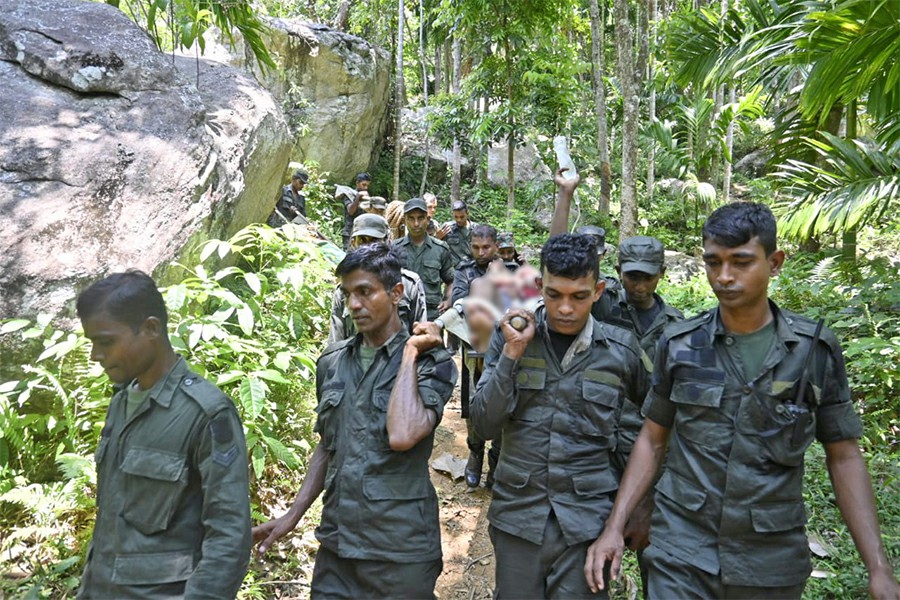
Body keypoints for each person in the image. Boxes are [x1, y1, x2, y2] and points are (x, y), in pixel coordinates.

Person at [585, 202, 900, 600]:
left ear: (775, 262)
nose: (725, 276)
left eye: (741, 262)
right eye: (713, 263)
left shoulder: (812, 352)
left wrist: (878, 566)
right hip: (681, 550)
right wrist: (616, 525)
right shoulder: (681, 345)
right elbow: (652, 438)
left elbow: (844, 455)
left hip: (768, 560)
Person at [252, 244, 458, 598]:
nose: (354, 304)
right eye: (347, 294)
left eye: (365, 292)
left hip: (400, 551)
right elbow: (327, 445)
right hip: (338, 545)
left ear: (396, 294)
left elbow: (404, 433)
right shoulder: (332, 362)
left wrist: (408, 353)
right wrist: (293, 515)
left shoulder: (431, 361)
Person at [471, 233, 649, 599]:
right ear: (539, 287)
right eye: (554, 295)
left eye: (579, 296)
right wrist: (511, 355)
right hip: (519, 518)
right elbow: (482, 424)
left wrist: (638, 509)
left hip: (590, 525)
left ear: (598, 290)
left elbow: (655, 434)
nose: (565, 308)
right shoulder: (511, 337)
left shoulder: (622, 351)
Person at [76, 270, 251, 599]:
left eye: (106, 341)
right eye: (92, 343)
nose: (95, 355)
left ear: (151, 328)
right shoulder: (121, 402)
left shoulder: (206, 412)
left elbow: (229, 538)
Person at [450, 224, 518, 489]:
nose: (481, 252)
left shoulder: (512, 271)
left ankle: (497, 459)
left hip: (504, 351)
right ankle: (475, 453)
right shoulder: (464, 271)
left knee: (503, 403)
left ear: (495, 246)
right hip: (474, 349)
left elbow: (518, 304)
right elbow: (462, 304)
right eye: (476, 247)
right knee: (473, 403)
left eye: (486, 247)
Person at [328, 213, 427, 343]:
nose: (369, 247)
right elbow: (335, 342)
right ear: (353, 243)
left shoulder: (408, 284)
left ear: (388, 241)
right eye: (362, 240)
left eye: (375, 241)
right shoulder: (344, 290)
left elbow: (420, 336)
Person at [394, 197, 455, 320]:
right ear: (404, 220)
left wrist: (447, 300)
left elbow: (451, 280)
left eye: (420, 218)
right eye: (411, 218)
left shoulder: (440, 249)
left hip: (431, 315)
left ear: (427, 219)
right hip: (401, 316)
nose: (416, 223)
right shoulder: (394, 248)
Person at [437, 200, 477, 266]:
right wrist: (437, 238)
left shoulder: (476, 229)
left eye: (462, 217)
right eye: (456, 217)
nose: (459, 220)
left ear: (467, 214)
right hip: (455, 269)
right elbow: (437, 248)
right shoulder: (447, 228)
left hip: (473, 266)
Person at [341, 172, 371, 250]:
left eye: (367, 185)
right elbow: (351, 211)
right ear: (357, 183)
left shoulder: (366, 198)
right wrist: (357, 198)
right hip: (349, 232)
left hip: (362, 232)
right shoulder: (349, 195)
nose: (366, 188)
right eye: (364, 185)